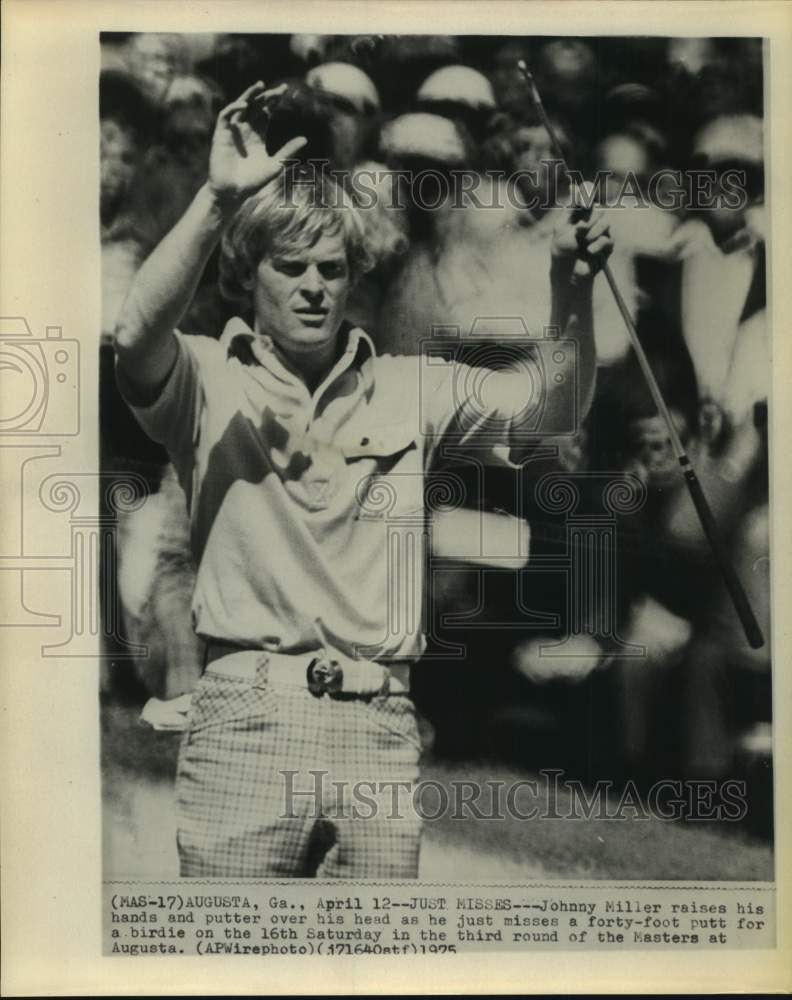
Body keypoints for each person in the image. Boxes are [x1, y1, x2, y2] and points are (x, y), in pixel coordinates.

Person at [114, 81, 614, 879]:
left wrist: (573, 290)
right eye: (291, 266)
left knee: (376, 971)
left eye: (332, 268)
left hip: (378, 724)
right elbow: (136, 335)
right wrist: (217, 198)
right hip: (244, 717)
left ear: (353, 279)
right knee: (233, 970)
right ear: (249, 277)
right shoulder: (206, 380)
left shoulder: (409, 386)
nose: (314, 285)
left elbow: (547, 411)